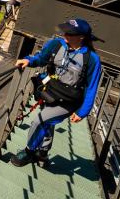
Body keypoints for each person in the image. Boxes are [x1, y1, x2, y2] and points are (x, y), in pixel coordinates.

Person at [11, 18, 102, 167]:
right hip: (50, 92)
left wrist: (82, 111)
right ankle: (43, 152)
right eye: (65, 31)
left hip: (68, 101)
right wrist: (28, 60)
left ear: (82, 37)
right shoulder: (55, 44)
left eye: (70, 33)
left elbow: (91, 87)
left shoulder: (92, 59)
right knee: (48, 123)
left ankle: (29, 152)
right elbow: (40, 58)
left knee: (39, 121)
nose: (65, 34)